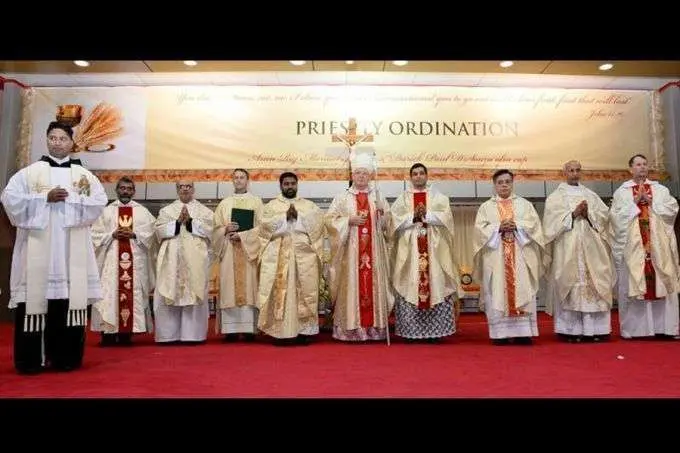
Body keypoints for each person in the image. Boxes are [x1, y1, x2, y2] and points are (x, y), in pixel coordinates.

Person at [0, 121, 108, 373]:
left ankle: (66, 358)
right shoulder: (29, 173)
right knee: (34, 301)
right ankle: (30, 361)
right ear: (46, 140)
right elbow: (9, 199)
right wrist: (43, 198)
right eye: (52, 138)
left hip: (71, 253)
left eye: (62, 138)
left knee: (68, 302)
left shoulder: (84, 176)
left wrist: (71, 202)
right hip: (39, 252)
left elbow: (99, 201)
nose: (56, 142)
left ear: (72, 143)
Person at [246, 172, 324, 345]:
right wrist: (283, 218)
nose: (290, 186)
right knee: (279, 293)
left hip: (302, 256)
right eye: (286, 184)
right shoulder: (272, 206)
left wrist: (298, 218)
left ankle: (303, 331)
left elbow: (318, 226)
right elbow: (263, 228)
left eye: (292, 183)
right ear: (280, 186)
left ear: (297, 185)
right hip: (279, 255)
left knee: (303, 291)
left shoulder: (308, 206)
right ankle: (279, 332)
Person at [325, 151, 395, 342]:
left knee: (373, 286)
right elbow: (330, 221)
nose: (361, 176)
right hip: (351, 254)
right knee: (353, 287)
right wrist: (348, 220)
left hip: (374, 253)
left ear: (370, 175)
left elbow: (389, 226)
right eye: (358, 173)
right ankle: (351, 329)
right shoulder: (342, 197)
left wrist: (383, 216)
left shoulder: (377, 196)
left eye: (365, 173)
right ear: (352, 176)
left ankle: (374, 329)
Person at [608, 154, 680, 339]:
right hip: (634, 247)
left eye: (644, 164)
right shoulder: (622, 192)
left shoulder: (660, 190)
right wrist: (634, 202)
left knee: (661, 280)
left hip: (657, 246)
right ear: (630, 169)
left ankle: (664, 328)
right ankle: (636, 329)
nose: (642, 168)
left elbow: (672, 210)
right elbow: (614, 219)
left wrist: (650, 202)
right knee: (635, 280)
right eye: (638, 164)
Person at [543, 160, 615, 342]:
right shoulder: (555, 197)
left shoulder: (590, 195)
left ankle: (596, 330)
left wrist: (589, 213)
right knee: (570, 283)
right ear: (564, 173)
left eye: (577, 170)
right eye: (571, 170)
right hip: (568, 247)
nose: (575, 173)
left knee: (594, 282)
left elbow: (605, 217)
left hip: (591, 247)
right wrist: (573, 214)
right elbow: (550, 224)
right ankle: (570, 331)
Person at [472, 169, 546, 345]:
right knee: (497, 291)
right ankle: (500, 334)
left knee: (523, 290)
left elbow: (534, 226)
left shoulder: (525, 205)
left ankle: (523, 333)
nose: (504, 185)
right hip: (497, 258)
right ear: (494, 185)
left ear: (512, 184)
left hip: (520, 255)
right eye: (500, 182)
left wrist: (517, 226)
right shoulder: (486, 207)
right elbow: (479, 231)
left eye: (507, 182)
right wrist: (497, 227)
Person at [388, 163, 461, 342]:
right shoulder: (403, 199)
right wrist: (413, 216)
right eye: (415, 174)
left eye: (421, 173)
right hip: (411, 251)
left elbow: (446, 218)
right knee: (410, 282)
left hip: (434, 250)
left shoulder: (438, 197)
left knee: (436, 282)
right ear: (410, 177)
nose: (418, 176)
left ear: (427, 176)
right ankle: (411, 332)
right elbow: (394, 222)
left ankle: (436, 332)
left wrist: (426, 215)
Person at [90, 176, 157, 346]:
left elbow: (153, 235)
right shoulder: (106, 211)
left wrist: (135, 234)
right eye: (122, 188)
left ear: (134, 191)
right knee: (109, 296)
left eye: (129, 188)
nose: (125, 191)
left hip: (134, 263)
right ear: (116, 190)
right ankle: (108, 334)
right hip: (111, 263)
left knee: (132, 294)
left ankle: (127, 334)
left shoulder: (142, 212)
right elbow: (94, 235)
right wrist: (111, 235)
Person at [153, 181, 214, 344]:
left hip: (194, 259)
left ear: (193, 189)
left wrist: (191, 222)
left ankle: (193, 335)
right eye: (182, 186)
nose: (185, 189)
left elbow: (211, 231)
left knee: (193, 293)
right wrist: (177, 223)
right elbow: (158, 232)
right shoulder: (167, 211)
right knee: (169, 292)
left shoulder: (204, 211)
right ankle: (168, 335)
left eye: (188, 186)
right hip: (172, 260)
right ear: (177, 190)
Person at [212, 168, 264, 342]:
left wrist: (242, 236)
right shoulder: (224, 204)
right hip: (228, 250)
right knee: (229, 288)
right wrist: (225, 229)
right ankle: (231, 330)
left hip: (248, 253)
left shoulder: (256, 202)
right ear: (232, 181)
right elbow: (215, 229)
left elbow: (262, 229)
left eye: (242, 177)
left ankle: (249, 329)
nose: (239, 180)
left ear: (248, 181)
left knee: (250, 288)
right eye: (236, 177)